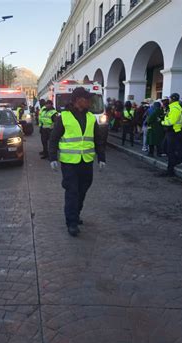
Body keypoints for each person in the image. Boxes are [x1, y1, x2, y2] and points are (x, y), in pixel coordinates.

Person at [48, 87, 107, 237]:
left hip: (86, 161)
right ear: (77, 100)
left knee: (83, 190)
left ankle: (76, 213)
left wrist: (101, 158)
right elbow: (53, 139)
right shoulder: (64, 117)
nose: (89, 101)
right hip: (69, 162)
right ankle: (72, 222)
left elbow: (98, 139)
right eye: (86, 98)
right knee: (72, 191)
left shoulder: (91, 118)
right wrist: (53, 158)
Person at [160, 93, 182, 176]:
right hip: (170, 131)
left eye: (170, 98)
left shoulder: (175, 108)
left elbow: (171, 121)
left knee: (170, 150)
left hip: (173, 131)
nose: (169, 100)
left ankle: (170, 170)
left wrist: (162, 122)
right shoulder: (172, 107)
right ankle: (175, 161)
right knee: (165, 148)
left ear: (172, 99)